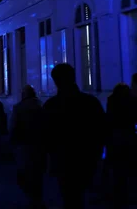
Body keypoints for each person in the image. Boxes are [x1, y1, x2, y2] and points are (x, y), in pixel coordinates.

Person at [43, 63, 106, 208]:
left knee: (68, 197)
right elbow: (102, 130)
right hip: (86, 157)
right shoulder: (90, 103)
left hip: (62, 159)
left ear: (55, 81)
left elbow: (45, 136)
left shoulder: (51, 105)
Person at [10, 85, 46, 209]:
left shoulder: (18, 108)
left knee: (24, 172)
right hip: (39, 144)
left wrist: (12, 142)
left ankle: (31, 198)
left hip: (23, 144)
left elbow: (13, 127)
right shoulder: (41, 106)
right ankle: (37, 199)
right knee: (37, 174)